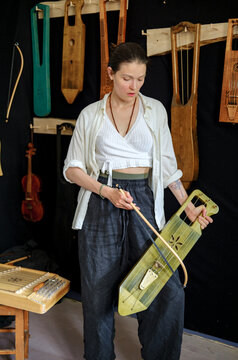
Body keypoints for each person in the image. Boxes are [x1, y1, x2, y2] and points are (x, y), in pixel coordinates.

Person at [63, 42, 213, 360]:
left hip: (143, 198)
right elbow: (72, 169)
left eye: (140, 78)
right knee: (98, 292)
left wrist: (186, 204)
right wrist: (107, 192)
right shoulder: (90, 115)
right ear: (110, 74)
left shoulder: (154, 110)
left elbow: (168, 164)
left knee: (164, 288)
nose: (134, 86)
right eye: (126, 78)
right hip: (101, 201)